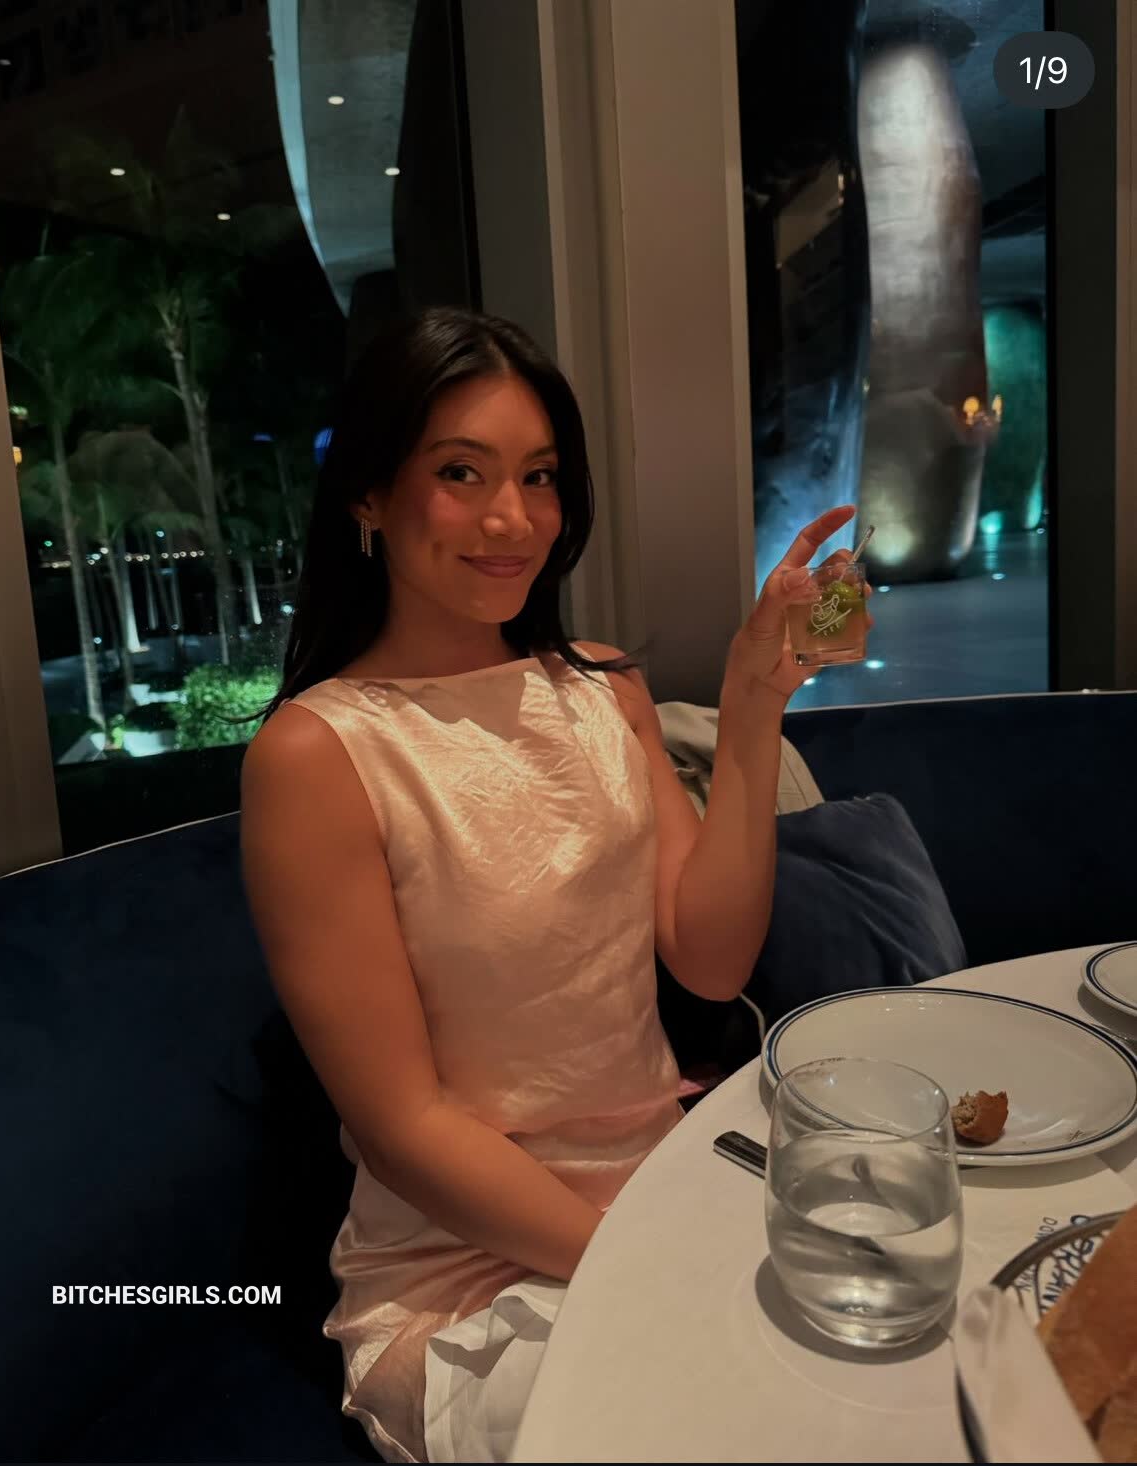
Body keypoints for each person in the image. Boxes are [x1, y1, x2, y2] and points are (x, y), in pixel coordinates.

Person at [239, 306, 867, 1463]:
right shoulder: (317, 754)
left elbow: (709, 958)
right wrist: (647, 1257)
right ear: (368, 495)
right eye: (460, 472)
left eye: (539, 476)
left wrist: (751, 704)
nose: (511, 518)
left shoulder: (603, 688)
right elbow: (404, 1125)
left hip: (675, 1184)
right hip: (471, 1273)